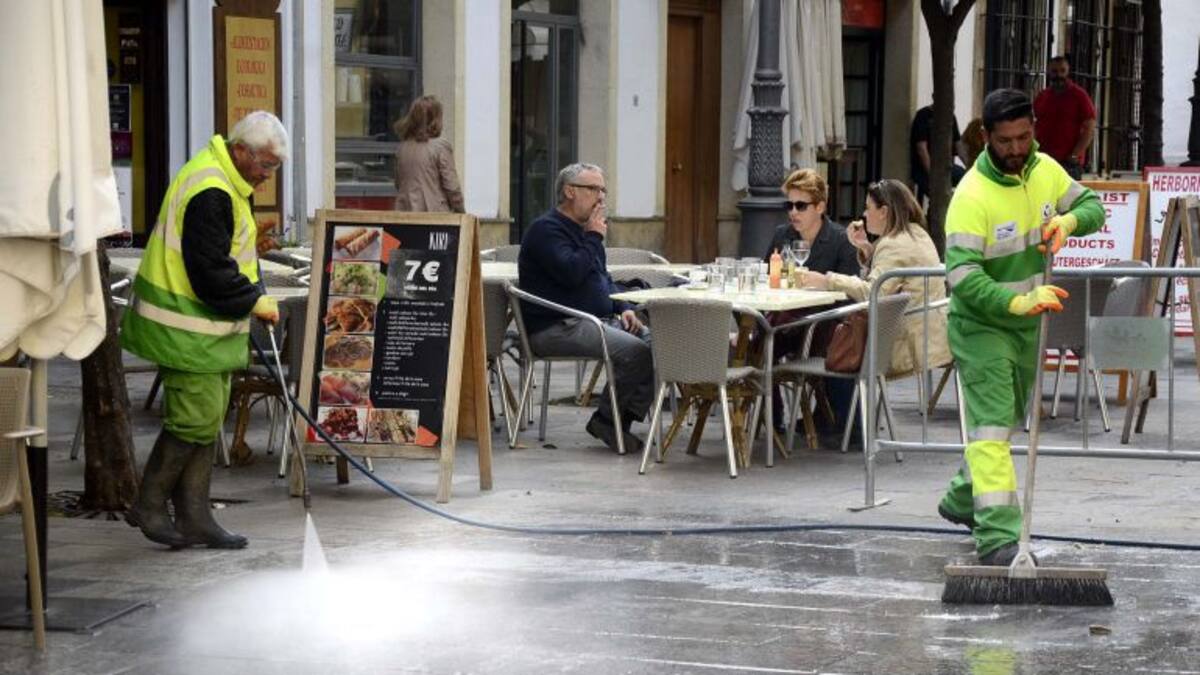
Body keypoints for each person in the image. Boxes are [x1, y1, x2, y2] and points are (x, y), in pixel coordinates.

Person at [938, 88, 1104, 566]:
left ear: (1034, 130)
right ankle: (997, 537)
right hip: (982, 328)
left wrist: (1069, 222)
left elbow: (1092, 206)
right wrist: (1016, 301)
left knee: (1002, 424)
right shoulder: (971, 195)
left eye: (1023, 137)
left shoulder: (1045, 169)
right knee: (992, 430)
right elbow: (962, 275)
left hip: (1028, 327)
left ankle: (961, 497)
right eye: (1005, 140)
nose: (1015, 149)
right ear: (986, 137)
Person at [122, 111, 288, 550]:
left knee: (207, 418)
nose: (267, 176)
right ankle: (150, 503)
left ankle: (195, 515)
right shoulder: (211, 189)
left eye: (274, 168)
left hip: (202, 329)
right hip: (182, 325)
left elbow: (227, 256)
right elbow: (210, 269)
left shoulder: (226, 181)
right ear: (241, 150)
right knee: (193, 418)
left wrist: (251, 293)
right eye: (265, 165)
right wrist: (253, 300)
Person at [517, 163, 654, 453]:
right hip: (556, 326)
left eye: (603, 190)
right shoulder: (546, 230)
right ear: (570, 191)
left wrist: (624, 307)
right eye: (593, 189)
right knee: (636, 351)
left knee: (656, 343)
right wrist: (593, 237)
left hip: (593, 320)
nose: (601, 197)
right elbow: (572, 273)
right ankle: (608, 421)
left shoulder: (586, 231)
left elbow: (602, 278)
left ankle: (618, 420)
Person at [797, 179, 951, 378]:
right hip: (933, 340)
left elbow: (873, 293)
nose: (864, 214)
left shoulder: (893, 244)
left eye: (868, 208)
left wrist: (827, 280)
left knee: (823, 331)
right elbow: (891, 274)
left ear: (884, 211)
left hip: (901, 348)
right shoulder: (917, 234)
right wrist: (865, 247)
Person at [764, 169, 860, 443]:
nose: (793, 212)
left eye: (801, 206)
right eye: (789, 205)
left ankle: (833, 420)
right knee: (759, 344)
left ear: (820, 207)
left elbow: (851, 295)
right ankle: (771, 420)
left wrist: (821, 285)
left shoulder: (840, 240)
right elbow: (766, 276)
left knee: (762, 340)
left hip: (824, 327)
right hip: (785, 322)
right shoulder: (782, 236)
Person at [393, 95, 464, 213]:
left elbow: (398, 183)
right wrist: (461, 211)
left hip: (405, 213)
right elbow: (452, 187)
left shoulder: (402, 148)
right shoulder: (440, 147)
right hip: (433, 214)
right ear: (435, 119)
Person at [1034, 56, 1097, 180]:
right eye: (1054, 71)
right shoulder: (1042, 96)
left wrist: (1075, 155)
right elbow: (1034, 125)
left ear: (1068, 71)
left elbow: (1090, 127)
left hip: (1068, 163)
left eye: (1062, 71)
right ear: (1049, 72)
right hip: (1045, 161)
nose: (1059, 75)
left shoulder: (1079, 95)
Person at [910, 104, 967, 204]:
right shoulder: (923, 116)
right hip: (923, 169)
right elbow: (921, 149)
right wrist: (933, 175)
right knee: (939, 195)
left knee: (966, 179)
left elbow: (959, 146)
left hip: (945, 167)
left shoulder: (951, 117)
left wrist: (971, 168)